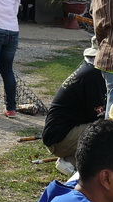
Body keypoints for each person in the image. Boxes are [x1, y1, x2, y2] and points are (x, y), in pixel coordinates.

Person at [42, 37, 106, 172]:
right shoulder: (93, 75)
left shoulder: (88, 69)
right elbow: (98, 116)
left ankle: (73, 157)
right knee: (108, 129)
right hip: (60, 139)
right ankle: (72, 162)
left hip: (60, 134)